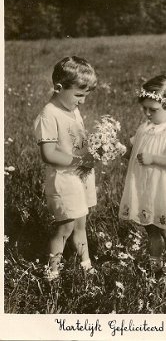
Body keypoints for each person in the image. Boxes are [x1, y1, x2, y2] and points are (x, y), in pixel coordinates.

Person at [119, 75, 166, 277]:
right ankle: (154, 266)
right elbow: (134, 155)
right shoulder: (144, 129)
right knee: (150, 228)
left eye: (153, 110)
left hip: (165, 190)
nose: (147, 113)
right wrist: (116, 148)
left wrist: (154, 159)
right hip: (147, 188)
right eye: (144, 109)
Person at [34, 56, 97, 281]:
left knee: (81, 222)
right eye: (79, 95)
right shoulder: (49, 115)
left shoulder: (71, 109)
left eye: (85, 96)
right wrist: (79, 161)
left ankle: (86, 264)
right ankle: (52, 271)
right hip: (63, 179)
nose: (82, 101)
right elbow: (49, 154)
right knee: (65, 227)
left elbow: (77, 139)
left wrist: (96, 149)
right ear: (59, 87)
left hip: (78, 176)